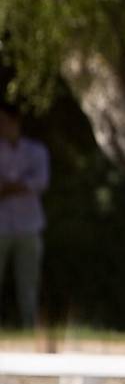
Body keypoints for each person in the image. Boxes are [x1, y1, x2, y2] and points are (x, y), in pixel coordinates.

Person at [0, 100, 49, 329]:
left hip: (29, 226)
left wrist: (8, 188)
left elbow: (39, 182)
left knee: (28, 283)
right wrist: (20, 186)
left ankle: (29, 328)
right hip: (2, 226)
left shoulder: (36, 151)